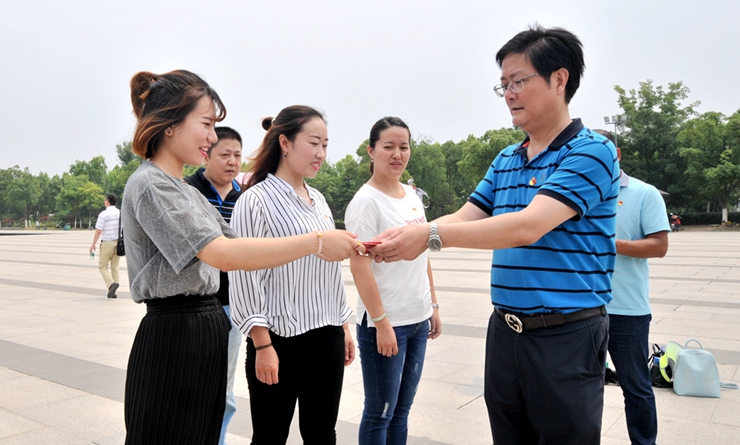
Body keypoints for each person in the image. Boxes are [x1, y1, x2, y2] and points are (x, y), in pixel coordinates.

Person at [370, 26, 620, 444]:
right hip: (505, 332)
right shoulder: (507, 158)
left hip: (565, 337)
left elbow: (528, 226)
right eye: (503, 84)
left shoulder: (590, 151)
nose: (509, 94)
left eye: (518, 81)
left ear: (559, 79)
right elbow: (466, 216)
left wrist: (429, 237)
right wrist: (404, 235)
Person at [122, 71, 362, 445]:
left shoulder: (184, 190)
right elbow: (224, 254)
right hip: (174, 330)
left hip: (202, 326)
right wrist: (316, 242)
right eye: (206, 124)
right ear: (170, 124)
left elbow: (243, 246)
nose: (212, 137)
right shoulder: (150, 184)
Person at [229, 105, 357, 445]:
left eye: (325, 145)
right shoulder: (254, 201)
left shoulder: (319, 200)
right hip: (279, 339)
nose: (321, 154)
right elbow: (245, 276)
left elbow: (329, 271)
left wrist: (343, 325)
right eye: (314, 143)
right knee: (270, 436)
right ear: (285, 143)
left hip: (327, 335)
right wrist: (262, 344)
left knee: (322, 434)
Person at [345, 116, 441, 445]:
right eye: (388, 147)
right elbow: (359, 269)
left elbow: (423, 251)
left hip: (417, 318)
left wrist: (432, 304)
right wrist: (382, 323)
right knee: (380, 412)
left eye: (404, 147)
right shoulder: (366, 202)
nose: (397, 154)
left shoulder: (412, 195)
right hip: (386, 324)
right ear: (371, 151)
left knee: (401, 411)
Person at [595, 128, 669, 445]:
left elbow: (659, 246)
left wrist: (612, 245)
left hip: (627, 311)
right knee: (581, 388)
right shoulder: (575, 194)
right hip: (581, 308)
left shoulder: (644, 193)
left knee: (636, 386)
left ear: (617, 154)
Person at [184, 125, 244, 445]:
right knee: (189, 387)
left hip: (231, 304)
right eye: (225, 154)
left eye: (237, 155)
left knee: (223, 389)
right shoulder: (188, 189)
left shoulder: (244, 197)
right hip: (193, 305)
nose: (232, 161)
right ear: (206, 154)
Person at [89, 193, 121, 298]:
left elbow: (98, 231)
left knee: (102, 266)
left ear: (107, 201)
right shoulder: (121, 213)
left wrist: (93, 244)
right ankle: (114, 293)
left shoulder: (104, 214)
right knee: (115, 268)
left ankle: (111, 284)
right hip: (118, 243)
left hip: (107, 243)